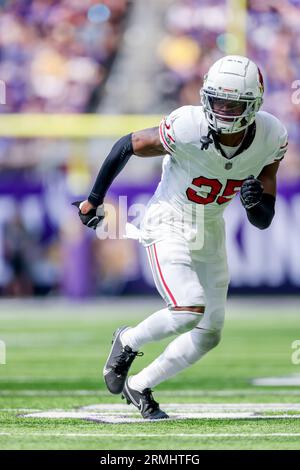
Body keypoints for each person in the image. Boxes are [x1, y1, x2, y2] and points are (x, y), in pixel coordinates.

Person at [73, 55, 288, 420]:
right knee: (189, 307)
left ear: (253, 105)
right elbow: (129, 143)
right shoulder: (188, 125)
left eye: (232, 103)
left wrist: (255, 204)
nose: (221, 110)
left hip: (211, 227)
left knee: (209, 332)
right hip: (169, 220)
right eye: (216, 100)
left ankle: (140, 384)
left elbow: (262, 220)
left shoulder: (271, 136)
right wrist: (94, 199)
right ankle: (127, 341)